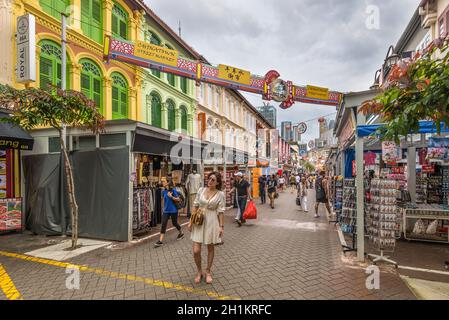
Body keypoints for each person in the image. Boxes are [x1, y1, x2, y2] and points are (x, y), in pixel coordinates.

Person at [188, 172, 225, 285]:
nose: (210, 181)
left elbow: (221, 212)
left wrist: (221, 227)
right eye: (209, 179)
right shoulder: (201, 190)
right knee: (196, 250)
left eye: (213, 180)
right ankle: (199, 272)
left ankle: (208, 271)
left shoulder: (220, 194)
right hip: (199, 221)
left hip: (212, 221)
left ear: (217, 182)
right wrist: (190, 222)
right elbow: (195, 206)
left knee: (210, 247)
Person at [154, 180, 184, 248]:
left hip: (173, 210)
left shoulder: (173, 190)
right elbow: (163, 200)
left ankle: (181, 233)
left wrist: (171, 197)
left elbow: (178, 199)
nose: (162, 182)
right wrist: (162, 208)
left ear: (168, 183)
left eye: (164, 181)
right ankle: (160, 241)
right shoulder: (163, 191)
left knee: (174, 223)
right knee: (163, 224)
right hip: (166, 211)